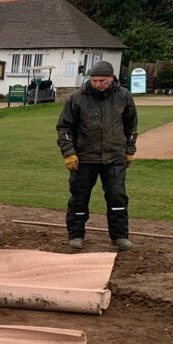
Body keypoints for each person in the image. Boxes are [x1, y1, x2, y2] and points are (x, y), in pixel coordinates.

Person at [56, 60, 137, 251]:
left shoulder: (124, 96)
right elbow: (64, 127)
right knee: (79, 198)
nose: (98, 84)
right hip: (84, 158)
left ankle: (119, 236)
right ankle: (76, 235)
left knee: (117, 197)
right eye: (94, 80)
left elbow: (131, 126)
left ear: (112, 78)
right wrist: (69, 153)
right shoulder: (77, 98)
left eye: (102, 80)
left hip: (114, 157)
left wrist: (129, 150)